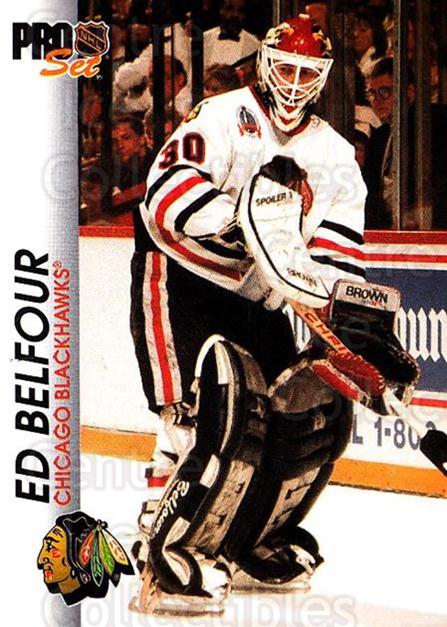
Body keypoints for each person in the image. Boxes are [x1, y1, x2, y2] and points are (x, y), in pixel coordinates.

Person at [129, 14, 417, 614]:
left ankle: (249, 536)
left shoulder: (335, 154)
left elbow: (336, 257)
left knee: (287, 419)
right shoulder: (220, 115)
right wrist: (240, 226)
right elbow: (165, 192)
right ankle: (161, 546)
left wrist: (354, 330)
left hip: (262, 294)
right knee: (195, 418)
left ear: (324, 78)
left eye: (307, 74)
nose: (293, 82)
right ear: (264, 64)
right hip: (183, 277)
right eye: (285, 68)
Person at [363, 58, 447, 229]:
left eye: (385, 91)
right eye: (372, 93)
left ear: (409, 91)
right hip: (389, 232)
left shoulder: (435, 122)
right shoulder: (379, 137)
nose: (377, 100)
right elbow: (371, 193)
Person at [203, 0, 259, 68]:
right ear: (221, 10)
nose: (235, 14)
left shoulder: (254, 47)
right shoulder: (204, 40)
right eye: (230, 9)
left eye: (240, 11)